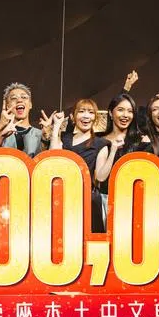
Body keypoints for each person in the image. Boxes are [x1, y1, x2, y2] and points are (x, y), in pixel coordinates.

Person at [45, 99, 107, 233]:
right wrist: (56, 127)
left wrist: (113, 151)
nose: (86, 116)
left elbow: (100, 176)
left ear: (95, 117)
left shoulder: (100, 143)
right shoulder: (65, 139)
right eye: (81, 111)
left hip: (88, 200)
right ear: (73, 117)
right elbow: (53, 159)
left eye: (90, 112)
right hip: (64, 197)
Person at [94, 92, 152, 201]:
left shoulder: (140, 141)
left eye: (130, 111)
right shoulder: (99, 140)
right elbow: (99, 177)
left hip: (131, 199)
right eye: (120, 110)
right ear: (110, 113)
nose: (125, 115)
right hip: (105, 199)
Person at [0, 82, 45, 156]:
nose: (19, 100)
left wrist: (47, 139)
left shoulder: (40, 135)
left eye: (24, 97)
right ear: (7, 106)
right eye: (14, 98)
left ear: (30, 104)